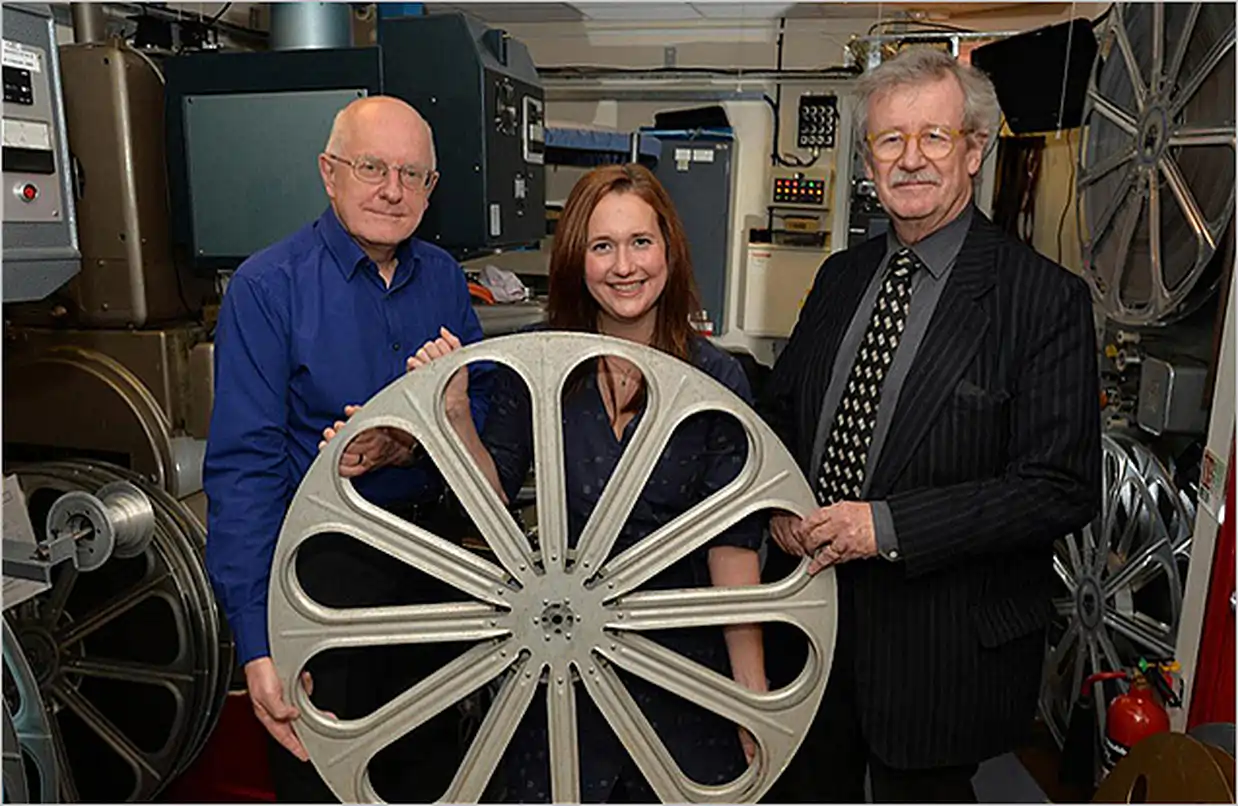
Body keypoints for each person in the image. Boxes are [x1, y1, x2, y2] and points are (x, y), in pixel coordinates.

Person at [332, 163, 766, 801]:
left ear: (669, 251)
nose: (624, 266)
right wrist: (454, 416)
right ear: (576, 261)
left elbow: (731, 547)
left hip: (678, 668)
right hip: (558, 662)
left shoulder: (716, 381)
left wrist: (748, 696)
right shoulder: (535, 365)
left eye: (641, 242)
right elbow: (494, 500)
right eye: (602, 246)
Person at [758, 47, 1101, 803]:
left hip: (940, 653)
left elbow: (1058, 487)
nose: (910, 160)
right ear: (868, 158)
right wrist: (778, 508)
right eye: (889, 140)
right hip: (811, 621)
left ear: (975, 149)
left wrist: (884, 526)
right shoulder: (843, 277)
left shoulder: (1043, 301)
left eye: (934, 138)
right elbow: (785, 413)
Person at [203, 95, 489, 802]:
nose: (392, 190)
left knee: (430, 777)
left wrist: (407, 445)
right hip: (322, 581)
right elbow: (245, 472)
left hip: (435, 574)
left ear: (431, 188)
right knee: (325, 779)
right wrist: (259, 643)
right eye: (372, 168)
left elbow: (485, 407)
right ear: (328, 173)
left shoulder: (446, 281)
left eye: (412, 174)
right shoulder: (267, 288)